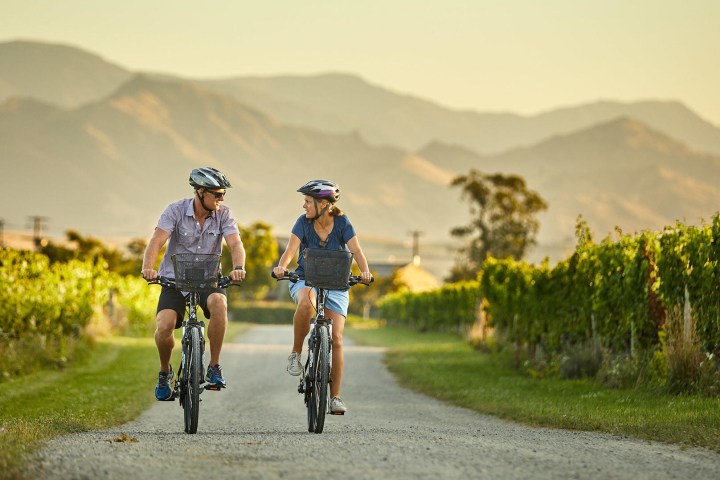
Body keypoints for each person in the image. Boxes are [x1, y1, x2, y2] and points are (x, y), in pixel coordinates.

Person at [141, 167, 246, 401]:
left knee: (219, 303)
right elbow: (157, 241)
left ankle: (214, 367)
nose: (221, 199)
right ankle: (165, 372)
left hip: (208, 279)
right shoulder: (175, 211)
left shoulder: (225, 214)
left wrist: (238, 268)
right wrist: (149, 267)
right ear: (200, 192)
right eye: (217, 194)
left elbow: (235, 243)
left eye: (222, 194)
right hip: (175, 280)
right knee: (164, 326)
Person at [273, 179, 372, 414]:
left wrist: (365, 271)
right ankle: (296, 354)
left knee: (336, 339)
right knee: (307, 305)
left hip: (336, 284)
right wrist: (280, 267)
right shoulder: (302, 223)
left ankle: (335, 397)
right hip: (306, 280)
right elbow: (290, 250)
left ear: (324, 204)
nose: (304, 206)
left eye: (308, 201)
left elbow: (356, 251)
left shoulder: (342, 222)